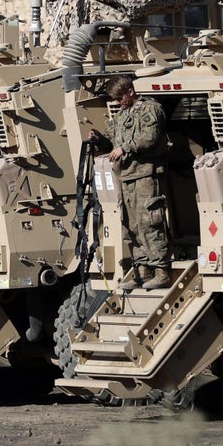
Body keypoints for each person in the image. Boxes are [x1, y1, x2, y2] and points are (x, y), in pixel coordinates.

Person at [89, 75, 171, 290]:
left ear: (130, 92)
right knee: (130, 226)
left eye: (120, 98)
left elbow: (149, 137)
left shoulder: (150, 109)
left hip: (146, 175)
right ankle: (142, 271)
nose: (118, 103)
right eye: (115, 100)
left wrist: (124, 148)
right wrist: (99, 139)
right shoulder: (121, 115)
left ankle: (161, 271)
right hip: (126, 176)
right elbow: (110, 142)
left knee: (149, 222)